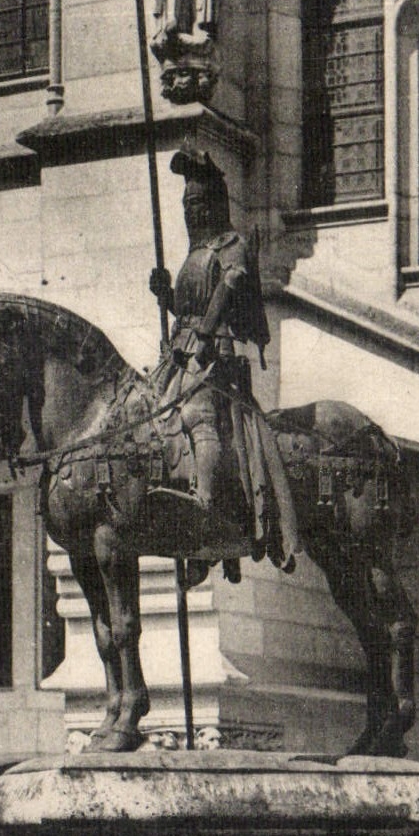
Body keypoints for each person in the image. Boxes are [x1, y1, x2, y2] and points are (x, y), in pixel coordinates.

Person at [151, 147, 297, 571]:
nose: (191, 212)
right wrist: (165, 295)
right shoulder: (193, 254)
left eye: (198, 204)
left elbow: (229, 287)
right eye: (186, 205)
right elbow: (187, 307)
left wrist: (204, 333)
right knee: (151, 412)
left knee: (198, 416)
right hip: (181, 350)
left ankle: (204, 508)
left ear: (214, 203)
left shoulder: (232, 244)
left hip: (218, 351)